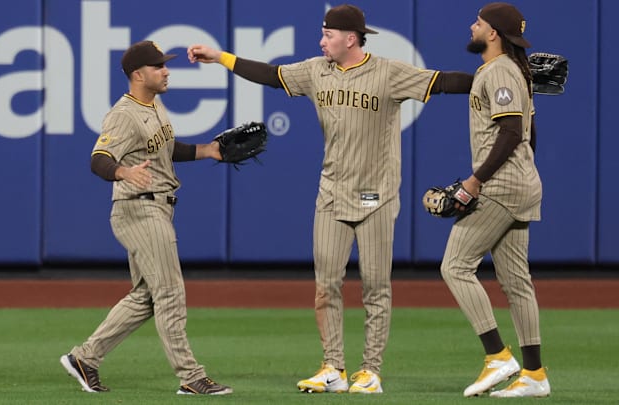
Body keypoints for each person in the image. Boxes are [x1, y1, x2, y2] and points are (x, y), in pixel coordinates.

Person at [188, 4, 472, 394]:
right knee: (326, 286)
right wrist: (221, 57)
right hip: (331, 195)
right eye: (322, 34)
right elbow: (271, 76)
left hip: (377, 197)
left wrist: (490, 80)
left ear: (351, 38)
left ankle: (370, 370)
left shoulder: (388, 72)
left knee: (375, 287)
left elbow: (441, 82)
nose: (321, 41)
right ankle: (333, 367)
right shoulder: (315, 71)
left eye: (328, 35)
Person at [59, 40, 233, 396]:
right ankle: (191, 376)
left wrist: (208, 151)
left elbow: (169, 150)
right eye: (158, 67)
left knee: (147, 297)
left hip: (156, 206)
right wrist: (123, 173)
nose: (166, 70)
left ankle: (84, 358)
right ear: (138, 75)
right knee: (170, 292)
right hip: (138, 208)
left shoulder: (154, 104)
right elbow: (99, 158)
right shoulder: (123, 114)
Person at [439, 2, 550, 398]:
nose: (473, 26)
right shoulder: (513, 70)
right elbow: (530, 132)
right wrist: (523, 173)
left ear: (493, 34)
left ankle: (497, 356)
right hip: (520, 182)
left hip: (502, 185)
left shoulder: (502, 69)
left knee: (455, 266)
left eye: (479, 22)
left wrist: (475, 181)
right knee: (517, 282)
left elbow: (511, 132)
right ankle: (534, 374)